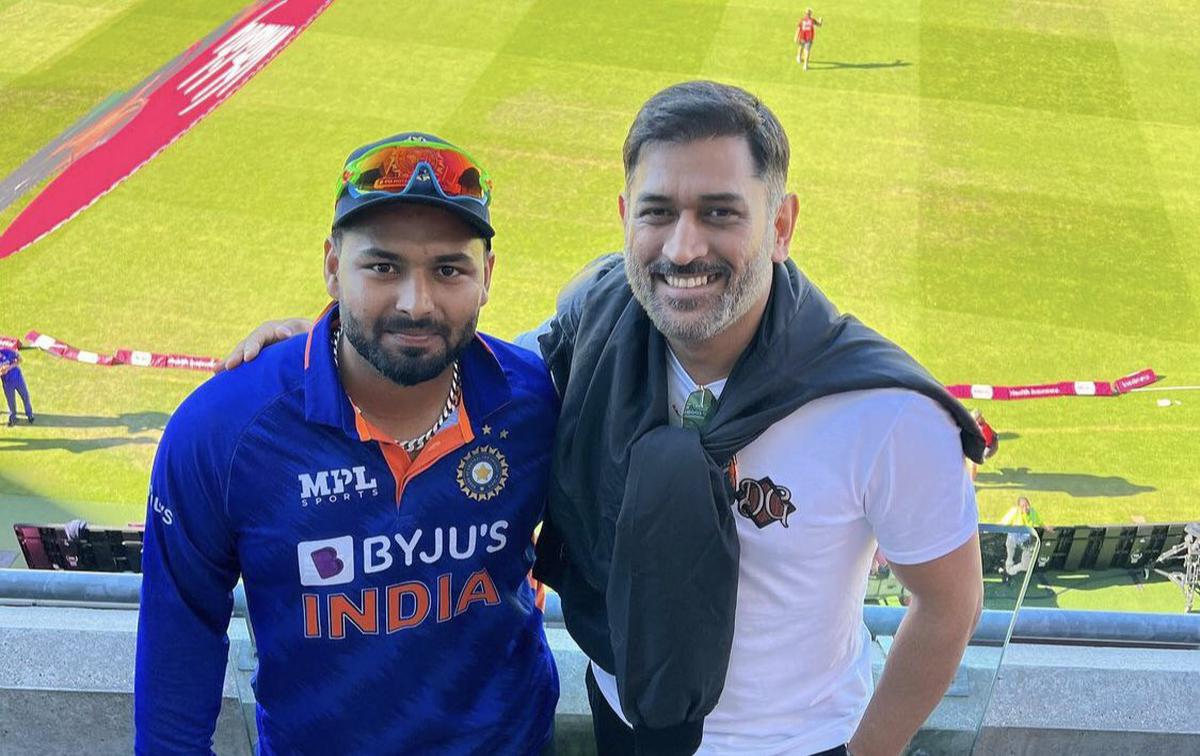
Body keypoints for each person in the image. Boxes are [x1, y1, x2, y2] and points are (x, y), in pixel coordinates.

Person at [227, 82, 987, 756]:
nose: (684, 247)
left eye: (721, 213)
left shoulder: (886, 410)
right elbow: (457, 375)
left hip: (797, 741)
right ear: (626, 217)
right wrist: (325, 349)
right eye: (658, 212)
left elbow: (948, 605)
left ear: (781, 224)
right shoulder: (591, 326)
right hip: (618, 715)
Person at [135, 133, 559, 755]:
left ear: (487, 276)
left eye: (449, 269)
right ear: (333, 266)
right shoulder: (223, 431)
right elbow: (179, 641)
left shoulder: (535, 404)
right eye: (383, 267)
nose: (417, 303)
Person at [999, 495, 1043, 577]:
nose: (1025, 507)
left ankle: (1012, 569)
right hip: (1012, 541)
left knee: (1026, 565)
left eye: (1027, 505)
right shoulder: (1014, 513)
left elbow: (1041, 523)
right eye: (1023, 506)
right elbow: (1002, 524)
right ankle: (1009, 570)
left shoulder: (1032, 513)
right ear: (1019, 507)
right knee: (1010, 556)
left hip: (1025, 544)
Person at [0, 346, 35, 426]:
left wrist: (8, 368)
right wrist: (2, 372)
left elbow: (20, 359)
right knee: (11, 402)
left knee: (25, 396)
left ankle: (29, 415)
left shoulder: (7, 351)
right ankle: (12, 418)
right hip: (7, 383)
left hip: (18, 379)